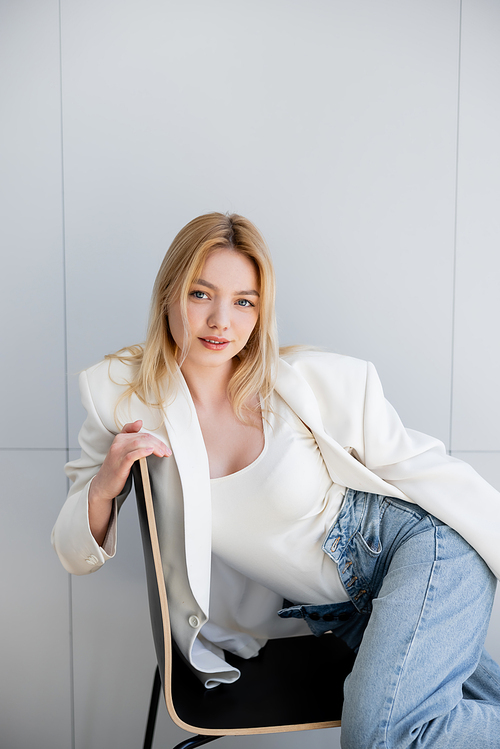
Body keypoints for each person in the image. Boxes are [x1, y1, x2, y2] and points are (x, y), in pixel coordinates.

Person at [52, 212, 500, 748]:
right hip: (343, 610)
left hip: (417, 552)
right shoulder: (119, 395)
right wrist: (106, 482)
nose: (222, 320)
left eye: (244, 300)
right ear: (169, 293)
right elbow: (73, 554)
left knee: (382, 739)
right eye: (201, 294)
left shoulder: (305, 383)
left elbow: (421, 466)